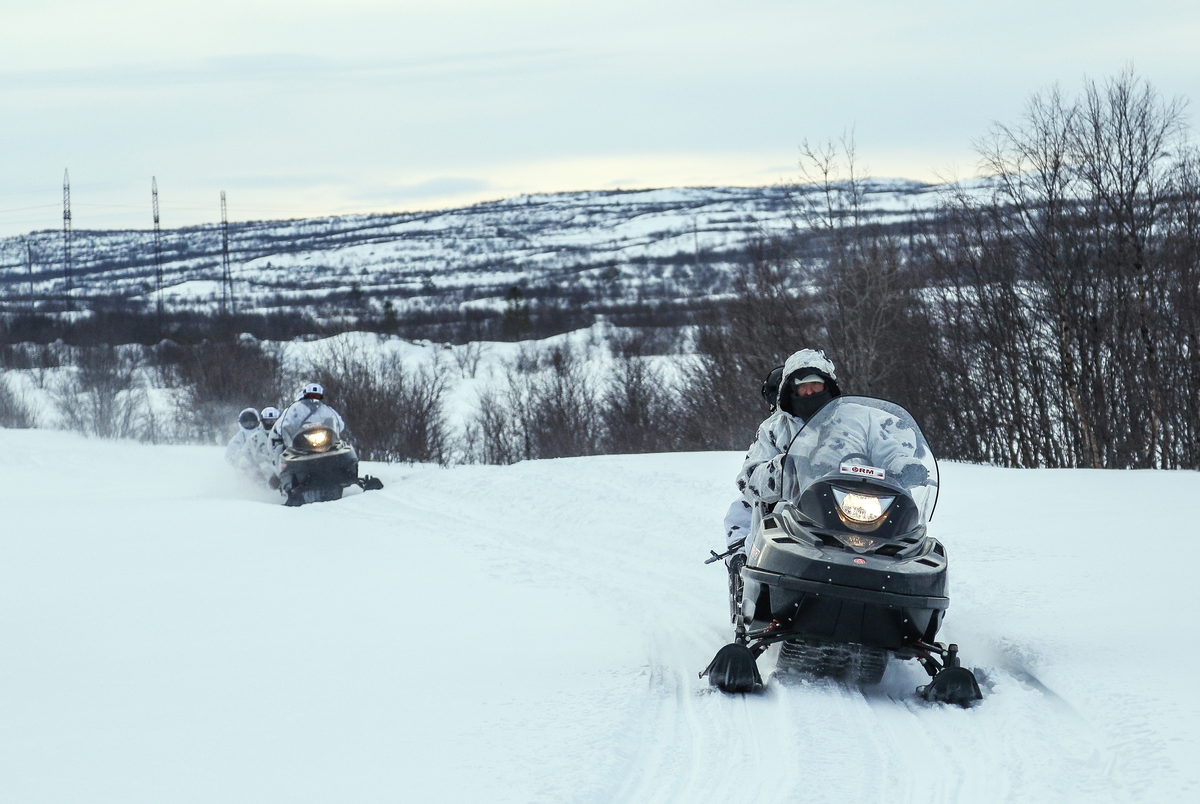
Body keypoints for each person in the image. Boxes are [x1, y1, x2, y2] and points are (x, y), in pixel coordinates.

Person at [727, 349, 843, 559]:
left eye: (815, 383)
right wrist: (786, 468)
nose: (809, 391)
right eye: (802, 385)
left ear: (828, 385)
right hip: (789, 523)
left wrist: (901, 466)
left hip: (849, 516)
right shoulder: (774, 429)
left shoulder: (854, 423)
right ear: (791, 389)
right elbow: (748, 480)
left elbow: (886, 449)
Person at [270, 382, 346, 455]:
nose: (313, 399)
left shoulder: (325, 409)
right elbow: (282, 425)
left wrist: (332, 425)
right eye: (311, 396)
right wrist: (290, 430)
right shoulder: (295, 409)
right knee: (281, 451)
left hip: (324, 441)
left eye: (317, 397)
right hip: (300, 443)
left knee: (342, 446)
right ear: (305, 396)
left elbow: (340, 423)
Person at [240, 405, 283, 487]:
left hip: (282, 467)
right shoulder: (255, 438)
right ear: (263, 421)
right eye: (268, 421)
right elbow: (245, 455)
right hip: (261, 471)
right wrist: (250, 466)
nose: (271, 423)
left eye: (274, 421)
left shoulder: (284, 435)